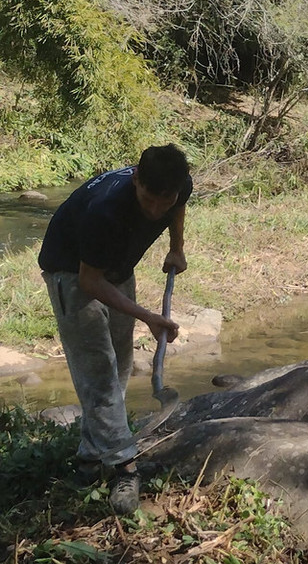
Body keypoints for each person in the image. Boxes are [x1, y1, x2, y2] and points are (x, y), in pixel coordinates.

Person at [38, 144, 192, 514]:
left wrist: (177, 248)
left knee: (120, 364)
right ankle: (126, 467)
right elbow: (90, 282)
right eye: (148, 199)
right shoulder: (105, 210)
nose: (156, 209)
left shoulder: (177, 187)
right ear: (136, 179)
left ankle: (91, 459)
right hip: (72, 274)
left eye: (164, 201)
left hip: (117, 267)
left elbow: (178, 206)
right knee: (98, 372)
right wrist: (148, 316)